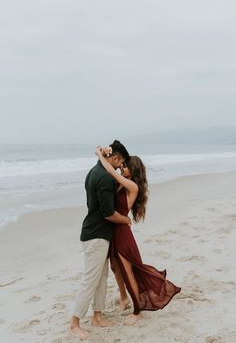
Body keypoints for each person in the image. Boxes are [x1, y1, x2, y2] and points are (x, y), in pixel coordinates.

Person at [96, 146, 181, 326]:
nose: (122, 168)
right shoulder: (121, 184)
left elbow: (110, 170)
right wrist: (104, 153)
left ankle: (137, 310)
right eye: (122, 165)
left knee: (129, 271)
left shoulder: (132, 186)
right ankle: (124, 298)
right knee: (115, 267)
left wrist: (98, 154)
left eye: (126, 166)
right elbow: (110, 172)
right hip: (114, 230)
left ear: (134, 170)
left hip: (122, 234)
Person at [70, 140, 131, 339]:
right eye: (120, 161)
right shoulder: (105, 178)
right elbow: (108, 213)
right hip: (96, 235)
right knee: (90, 280)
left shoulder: (93, 171)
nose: (121, 165)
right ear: (114, 158)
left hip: (96, 233)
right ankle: (74, 323)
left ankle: (97, 316)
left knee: (101, 278)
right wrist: (125, 219)